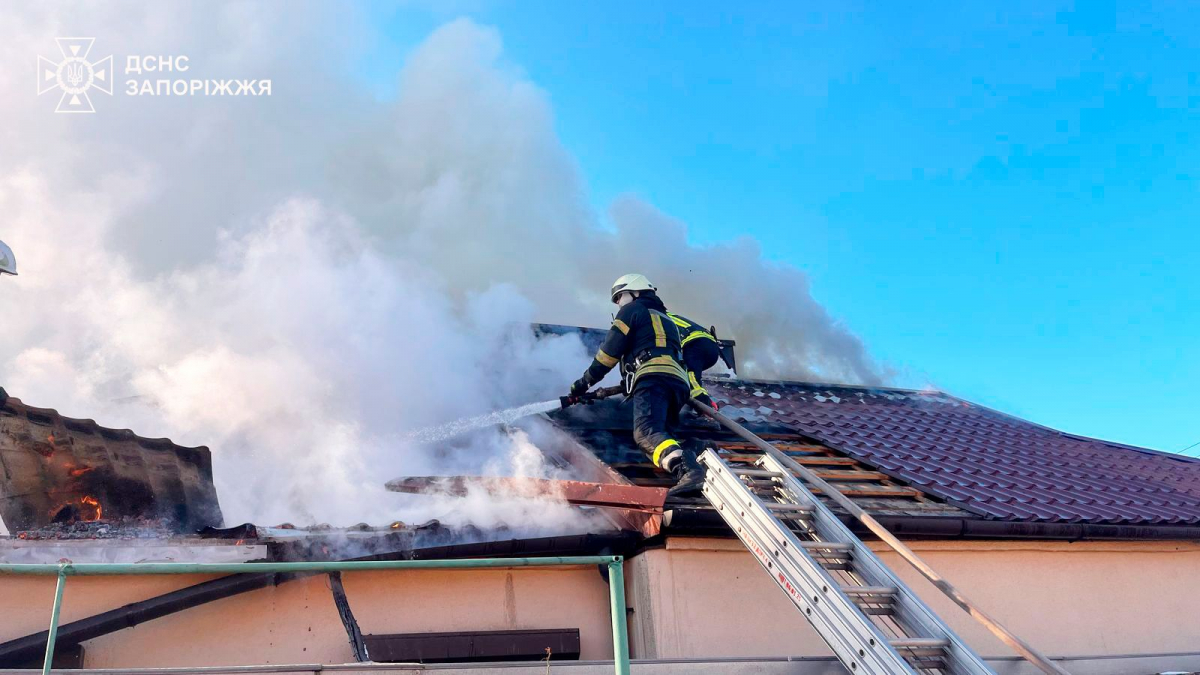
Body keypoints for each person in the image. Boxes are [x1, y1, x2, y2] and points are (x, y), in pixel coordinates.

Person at [568, 274, 706, 496]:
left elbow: (609, 353)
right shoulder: (666, 319)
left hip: (654, 379)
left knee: (645, 433)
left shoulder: (632, 311)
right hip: (677, 384)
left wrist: (583, 383)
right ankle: (693, 448)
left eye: (620, 297)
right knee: (663, 435)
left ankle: (687, 470)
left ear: (636, 291)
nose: (618, 304)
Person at [665, 311, 720, 409]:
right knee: (686, 377)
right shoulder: (660, 313)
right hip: (709, 345)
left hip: (695, 343)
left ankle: (706, 408)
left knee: (691, 378)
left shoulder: (649, 317)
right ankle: (703, 402)